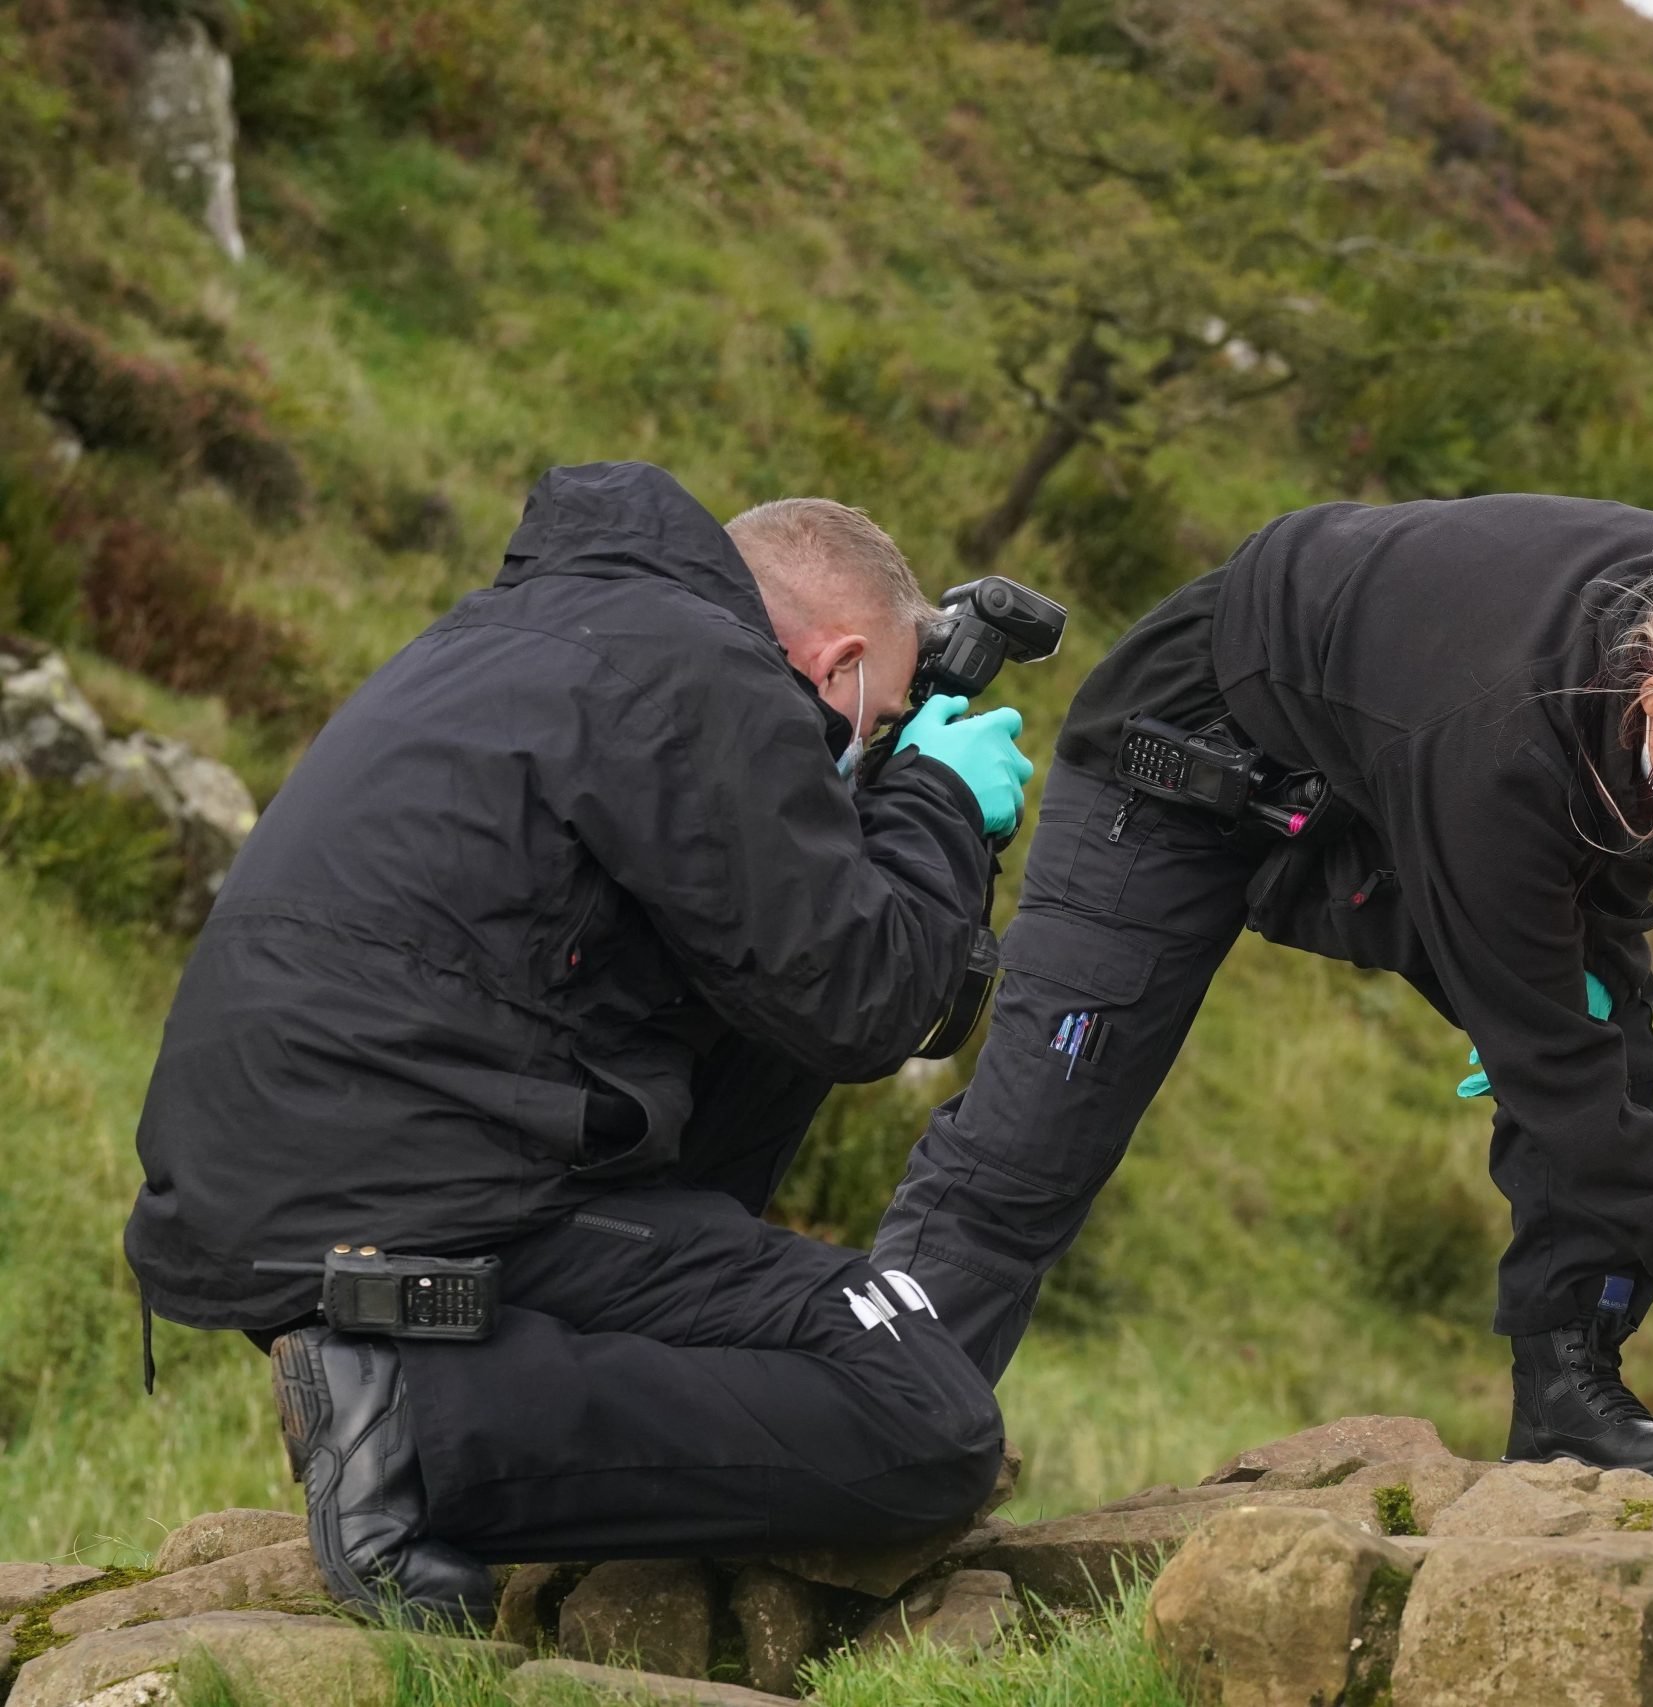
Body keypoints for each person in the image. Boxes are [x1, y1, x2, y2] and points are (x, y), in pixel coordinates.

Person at [123, 463, 1037, 1624]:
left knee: (774, 987)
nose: (875, 749)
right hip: (425, 1193)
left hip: (283, 1189)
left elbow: (788, 988)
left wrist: (878, 811)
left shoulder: (520, 634)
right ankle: (420, 1425)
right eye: (888, 724)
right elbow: (863, 1000)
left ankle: (439, 1389)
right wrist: (940, 806)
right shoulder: (709, 675)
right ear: (840, 669)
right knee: (928, 1420)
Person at [875, 493, 1653, 1476]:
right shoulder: (1503, 743)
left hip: (1374, 772)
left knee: (1606, 1051)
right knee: (1039, 1137)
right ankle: (882, 1424)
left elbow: (1592, 935)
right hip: (1180, 768)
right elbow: (1553, 1068)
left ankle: (1569, 1400)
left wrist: (1548, 1018)